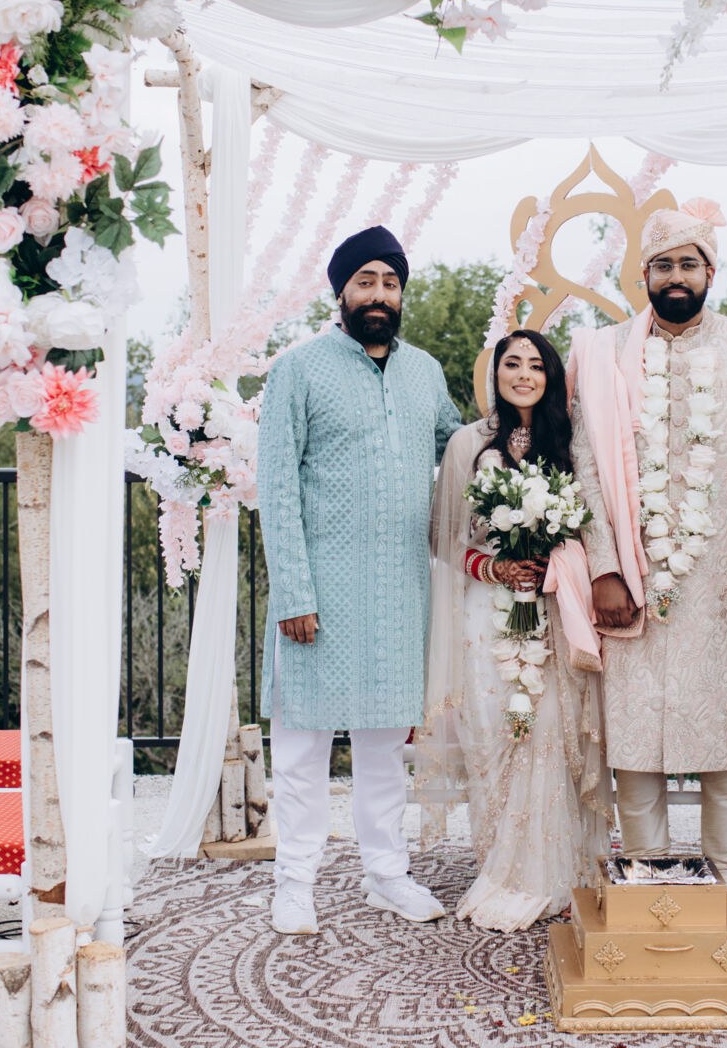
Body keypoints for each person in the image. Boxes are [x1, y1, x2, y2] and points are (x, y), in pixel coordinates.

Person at [569, 197, 727, 929]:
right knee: (635, 735)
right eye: (661, 265)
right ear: (642, 275)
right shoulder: (601, 352)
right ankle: (649, 877)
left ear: (710, 272)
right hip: (632, 579)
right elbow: (586, 467)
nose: (675, 277)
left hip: (724, 581)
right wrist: (604, 569)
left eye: (687, 264)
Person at [257, 225, 463, 935]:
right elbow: (277, 486)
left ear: (402, 294)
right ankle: (295, 882)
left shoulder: (424, 373)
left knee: (383, 751)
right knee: (301, 751)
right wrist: (293, 593)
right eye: (365, 281)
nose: (379, 294)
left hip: (400, 596)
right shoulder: (298, 369)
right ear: (340, 291)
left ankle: (387, 874)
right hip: (317, 595)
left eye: (390, 282)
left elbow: (459, 451)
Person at [417, 329, 609, 930]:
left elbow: (592, 524)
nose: (524, 374)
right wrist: (494, 566)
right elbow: (444, 536)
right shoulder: (467, 443)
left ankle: (558, 870)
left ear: (551, 377)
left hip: (553, 609)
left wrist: (556, 557)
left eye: (536, 365)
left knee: (550, 731)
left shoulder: (569, 441)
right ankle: (502, 868)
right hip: (486, 614)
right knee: (496, 734)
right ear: (495, 374)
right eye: (512, 363)